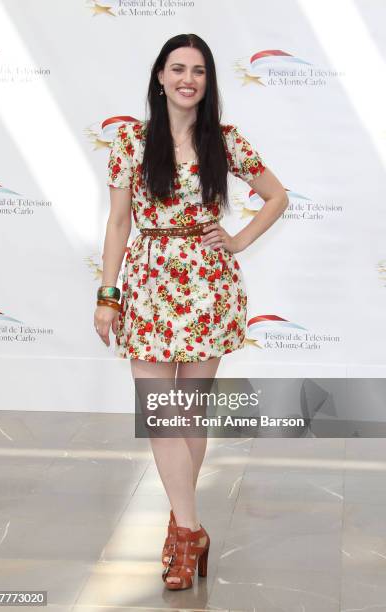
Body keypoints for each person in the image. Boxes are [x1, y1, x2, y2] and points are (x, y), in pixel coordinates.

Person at [94, 33, 288, 590]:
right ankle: (189, 529)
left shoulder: (224, 140)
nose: (187, 78)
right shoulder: (131, 140)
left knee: (187, 414)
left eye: (198, 70)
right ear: (159, 76)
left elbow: (277, 196)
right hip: (150, 284)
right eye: (177, 68)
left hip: (207, 285)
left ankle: (182, 529)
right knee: (162, 413)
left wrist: (240, 239)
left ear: (208, 81)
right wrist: (109, 295)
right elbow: (118, 223)